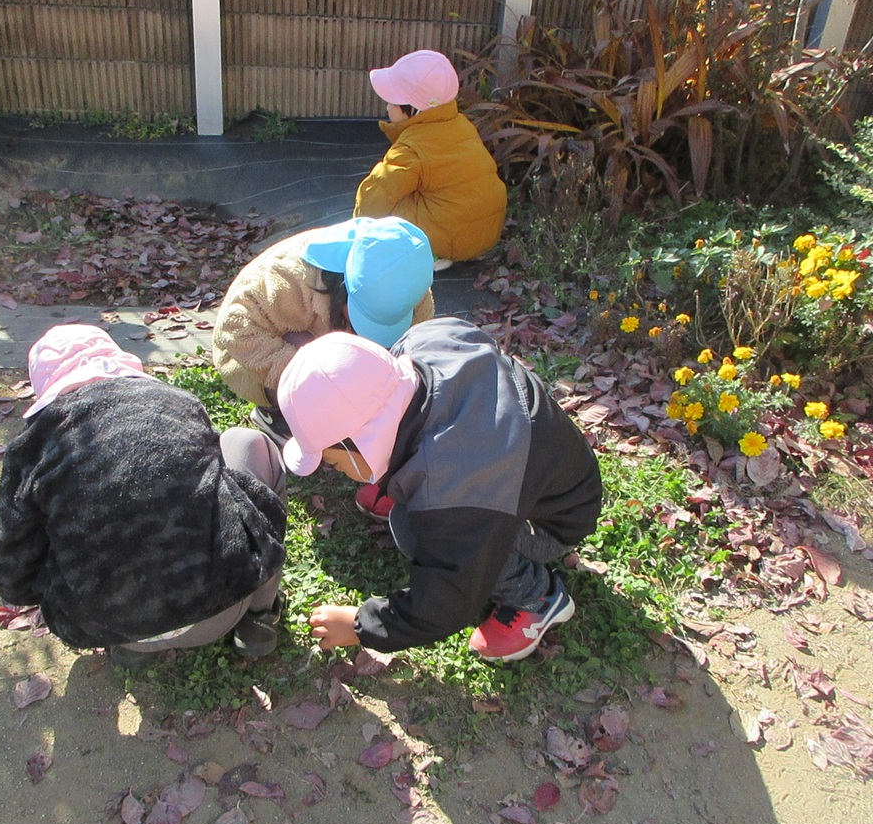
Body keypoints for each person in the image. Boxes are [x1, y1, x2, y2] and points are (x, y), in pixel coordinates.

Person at [276, 318, 604, 662]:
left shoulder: (455, 492)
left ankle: (535, 596)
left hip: (551, 520)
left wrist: (361, 625)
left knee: (411, 527)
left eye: (332, 461)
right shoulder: (425, 342)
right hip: (550, 474)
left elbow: (447, 599)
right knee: (424, 513)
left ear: (358, 442)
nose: (337, 471)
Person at [0, 325, 287, 662]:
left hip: (98, 626)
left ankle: (134, 646)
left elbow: (12, 579)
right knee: (246, 442)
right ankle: (260, 617)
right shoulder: (179, 403)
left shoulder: (31, 449)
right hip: (220, 609)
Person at [212, 215, 435, 518]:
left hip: (343, 359)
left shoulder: (412, 288)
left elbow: (416, 352)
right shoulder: (288, 278)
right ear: (341, 287)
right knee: (313, 375)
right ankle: (279, 414)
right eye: (361, 319)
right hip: (263, 353)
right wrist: (309, 381)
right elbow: (234, 328)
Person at [353, 49, 507, 271]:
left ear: (413, 110)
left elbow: (376, 193)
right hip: (488, 229)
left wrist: (359, 229)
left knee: (391, 203)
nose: (386, 106)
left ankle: (431, 254)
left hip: (453, 236)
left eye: (392, 101)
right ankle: (454, 248)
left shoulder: (411, 148)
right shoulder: (460, 124)